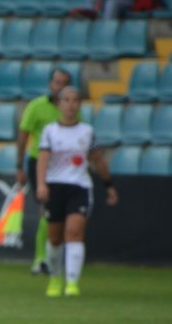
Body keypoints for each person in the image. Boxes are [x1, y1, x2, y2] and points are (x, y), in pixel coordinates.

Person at [36, 86, 118, 297]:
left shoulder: (87, 131)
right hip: (55, 186)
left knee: (74, 232)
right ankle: (55, 278)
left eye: (75, 100)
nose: (71, 105)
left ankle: (72, 283)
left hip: (79, 187)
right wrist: (41, 184)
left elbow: (98, 160)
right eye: (66, 100)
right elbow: (43, 159)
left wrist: (108, 185)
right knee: (55, 238)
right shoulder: (50, 131)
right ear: (59, 104)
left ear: (79, 105)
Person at [16, 68, 74, 275]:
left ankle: (53, 257)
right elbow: (23, 136)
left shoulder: (71, 108)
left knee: (60, 214)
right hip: (39, 163)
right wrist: (19, 166)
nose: (59, 87)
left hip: (64, 166)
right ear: (51, 84)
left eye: (63, 83)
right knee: (46, 211)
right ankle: (41, 259)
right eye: (56, 82)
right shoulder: (37, 106)